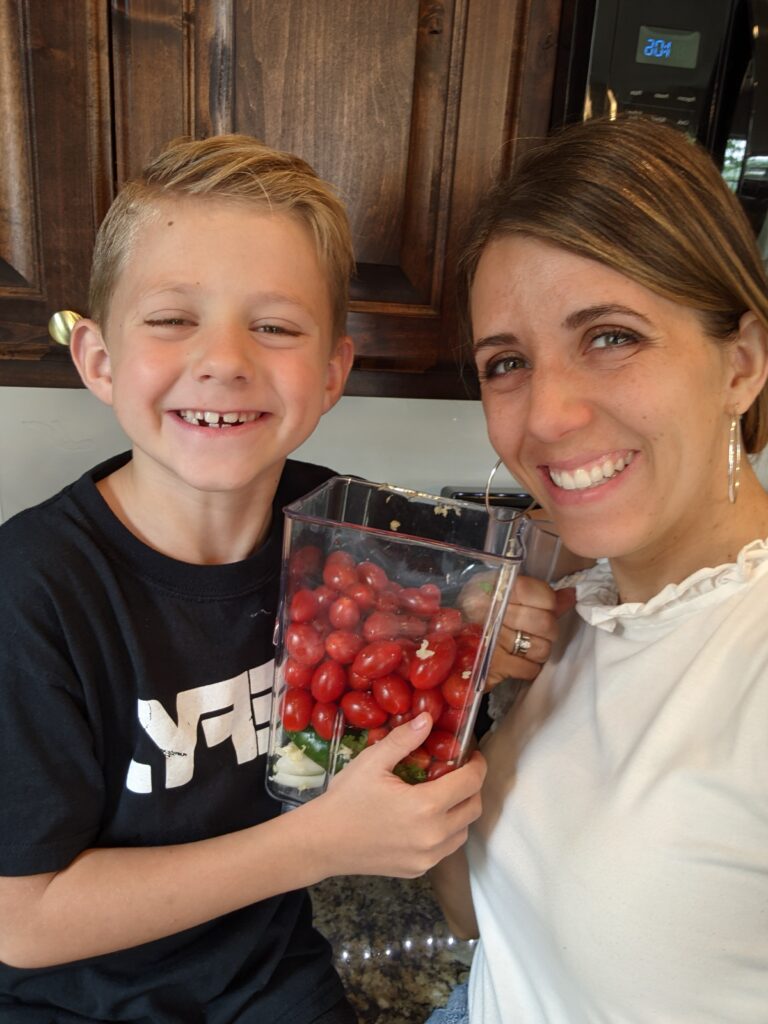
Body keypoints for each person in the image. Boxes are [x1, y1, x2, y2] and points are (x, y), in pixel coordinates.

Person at [0, 133, 495, 1024]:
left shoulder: (352, 536)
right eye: (171, 318)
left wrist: (497, 628)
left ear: (333, 372)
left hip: (270, 986)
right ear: (99, 362)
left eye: (274, 325)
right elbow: (21, 919)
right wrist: (312, 847)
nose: (225, 358)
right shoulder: (31, 594)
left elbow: (465, 613)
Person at [428, 114, 768, 1024]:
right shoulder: (588, 601)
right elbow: (474, 910)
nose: (546, 416)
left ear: (740, 364)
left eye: (611, 336)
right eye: (507, 362)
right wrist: (453, 701)